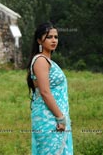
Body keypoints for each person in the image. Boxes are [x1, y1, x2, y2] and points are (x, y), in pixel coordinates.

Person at [26, 23, 73, 155]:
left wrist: (63, 116)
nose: (54, 40)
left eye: (56, 37)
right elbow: (45, 92)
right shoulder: (40, 60)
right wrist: (60, 118)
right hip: (48, 119)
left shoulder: (49, 61)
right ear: (39, 40)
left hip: (56, 116)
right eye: (49, 37)